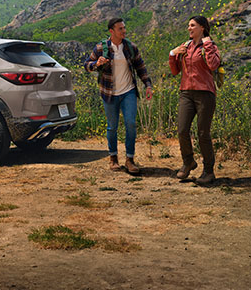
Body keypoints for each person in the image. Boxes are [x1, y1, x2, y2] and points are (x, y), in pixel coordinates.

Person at [84, 18, 153, 174]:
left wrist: (148, 85)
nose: (124, 31)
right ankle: (113, 158)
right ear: (111, 31)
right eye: (120, 29)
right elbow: (87, 65)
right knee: (112, 126)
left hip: (128, 91)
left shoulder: (130, 47)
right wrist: (96, 64)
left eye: (124, 28)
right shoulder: (101, 48)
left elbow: (140, 67)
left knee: (130, 123)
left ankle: (130, 159)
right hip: (109, 93)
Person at [169, 16, 221, 185]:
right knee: (182, 130)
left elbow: (213, 65)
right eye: (188, 26)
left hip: (205, 93)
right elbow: (175, 71)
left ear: (202, 28)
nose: (189, 28)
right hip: (186, 93)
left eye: (192, 26)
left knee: (203, 133)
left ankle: (208, 171)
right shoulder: (186, 46)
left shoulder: (210, 46)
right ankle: (188, 162)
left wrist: (207, 43)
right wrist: (173, 54)